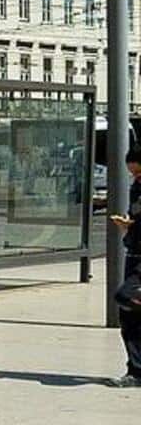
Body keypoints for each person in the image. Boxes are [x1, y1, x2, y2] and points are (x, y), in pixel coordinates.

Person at [112, 150, 141, 387]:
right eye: (132, 173)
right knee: (128, 314)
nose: (135, 177)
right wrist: (128, 225)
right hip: (133, 252)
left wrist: (133, 224)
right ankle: (136, 370)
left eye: (139, 172)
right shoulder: (136, 188)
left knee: (124, 295)